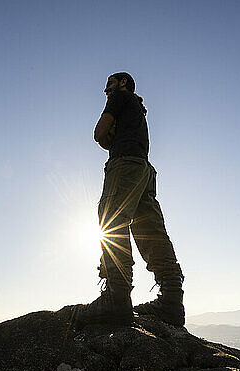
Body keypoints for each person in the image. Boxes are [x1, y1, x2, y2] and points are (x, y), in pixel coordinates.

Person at [75, 72, 185, 327]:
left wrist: (106, 132)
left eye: (109, 84)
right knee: (150, 230)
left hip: (124, 165)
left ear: (123, 83)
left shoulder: (120, 97)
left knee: (111, 221)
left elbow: (99, 134)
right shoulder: (137, 106)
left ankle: (117, 299)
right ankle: (171, 303)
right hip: (144, 169)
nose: (106, 90)